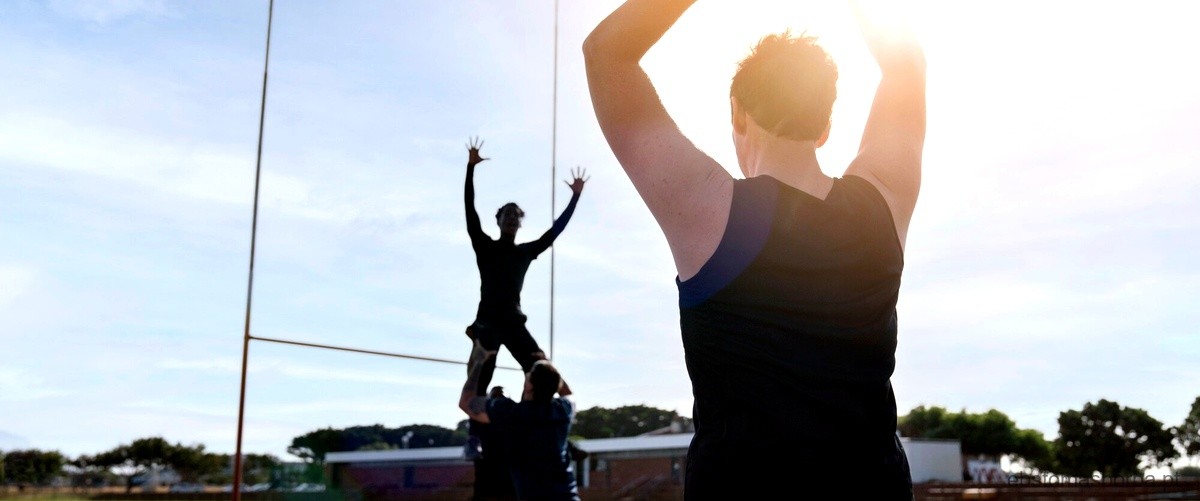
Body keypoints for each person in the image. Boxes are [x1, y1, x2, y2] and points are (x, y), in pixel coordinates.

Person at [583, 1, 925, 499]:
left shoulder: (710, 209)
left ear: (738, 115)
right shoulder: (885, 200)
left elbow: (605, 53)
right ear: (824, 126)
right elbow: (906, 63)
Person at [461, 136, 586, 457]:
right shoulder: (485, 246)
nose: (513, 218)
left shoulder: (526, 252)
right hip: (488, 321)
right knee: (481, 375)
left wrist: (575, 197)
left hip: (515, 323)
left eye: (517, 215)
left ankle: (557, 428)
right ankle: (475, 435)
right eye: (508, 214)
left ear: (520, 222)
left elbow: (554, 232)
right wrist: (470, 168)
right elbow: (470, 211)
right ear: (499, 220)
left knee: (544, 371)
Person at [459, 339, 581, 501]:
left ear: (529, 386)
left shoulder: (511, 414)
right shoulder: (562, 410)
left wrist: (479, 362)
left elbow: (466, 402)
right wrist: (547, 364)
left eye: (529, 373)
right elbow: (568, 394)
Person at [471, 385, 518, 501]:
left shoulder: (479, 421)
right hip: (509, 487)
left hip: (489, 488)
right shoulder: (519, 421)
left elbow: (472, 398)